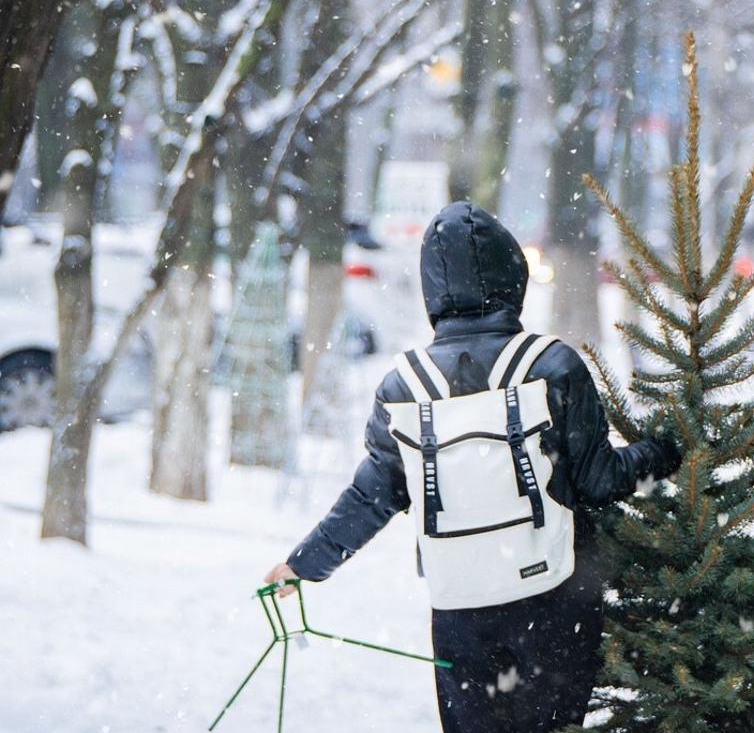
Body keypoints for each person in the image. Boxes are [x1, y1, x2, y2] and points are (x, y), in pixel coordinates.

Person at [263, 202, 680, 733]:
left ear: (432, 288)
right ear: (513, 276)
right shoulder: (552, 366)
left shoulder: (403, 388)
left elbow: (373, 497)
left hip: (461, 607)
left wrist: (303, 565)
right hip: (554, 599)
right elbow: (602, 480)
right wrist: (672, 447)